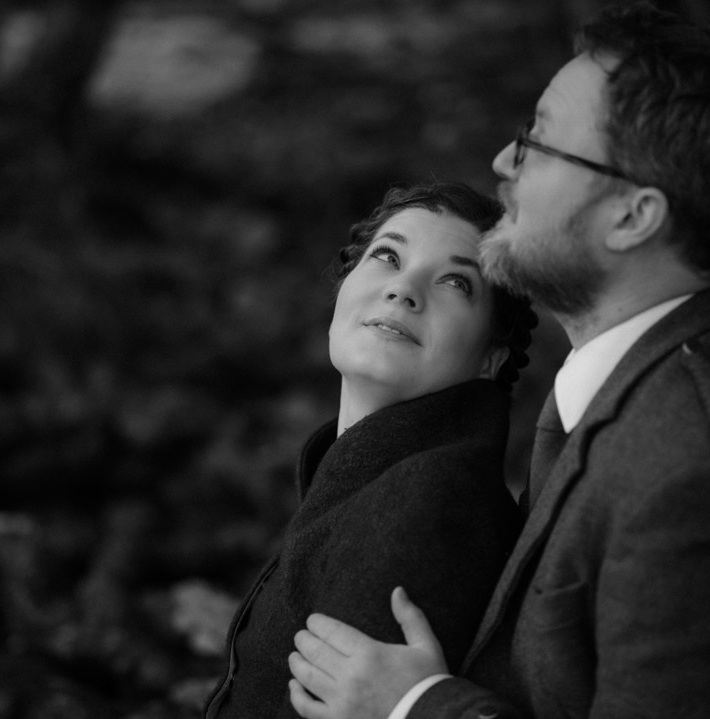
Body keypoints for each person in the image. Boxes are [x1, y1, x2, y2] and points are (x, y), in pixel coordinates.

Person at [287, 4, 710, 718]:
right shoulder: (634, 371)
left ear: (633, 217)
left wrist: (415, 705)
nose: (505, 163)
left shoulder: (701, 480)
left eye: (539, 142)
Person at [202, 181, 539, 719]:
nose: (403, 289)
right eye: (387, 256)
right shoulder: (378, 472)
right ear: (344, 286)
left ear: (490, 361)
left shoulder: (425, 504)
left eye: (455, 281)